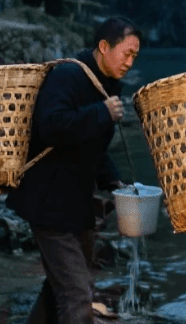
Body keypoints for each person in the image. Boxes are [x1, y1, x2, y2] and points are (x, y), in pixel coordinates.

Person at [7, 17, 141, 324]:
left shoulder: (107, 85)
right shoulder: (67, 75)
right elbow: (52, 126)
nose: (131, 62)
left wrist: (114, 179)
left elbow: (93, 147)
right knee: (78, 297)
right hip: (48, 204)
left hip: (77, 205)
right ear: (104, 47)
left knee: (59, 290)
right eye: (127, 53)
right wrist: (101, 112)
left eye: (135, 56)